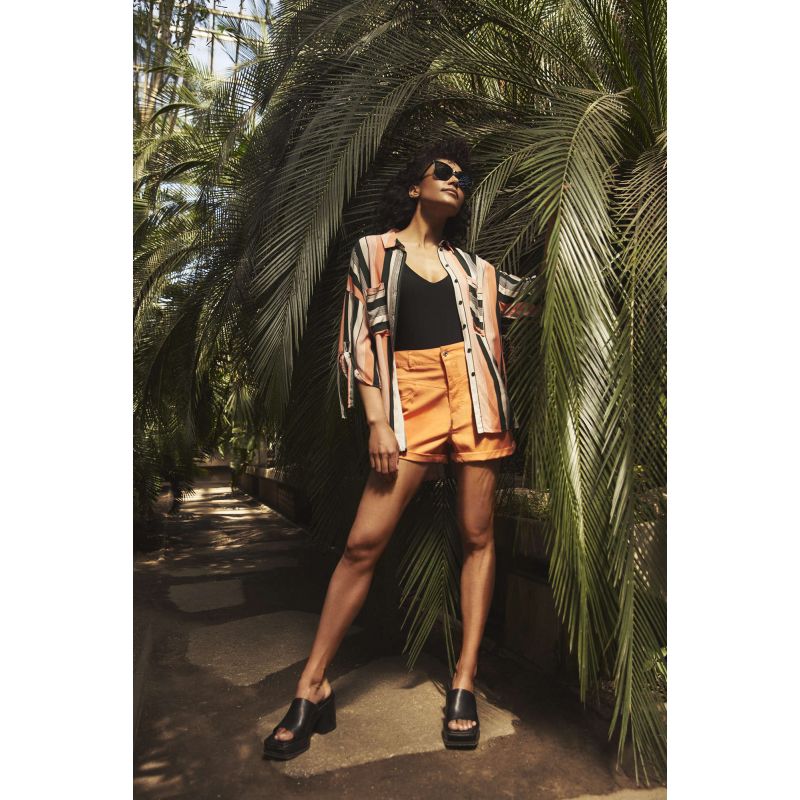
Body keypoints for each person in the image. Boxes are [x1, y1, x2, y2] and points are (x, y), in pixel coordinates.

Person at [263, 136, 539, 760]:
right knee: (363, 544)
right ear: (415, 185)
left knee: (477, 537)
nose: (455, 179)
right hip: (408, 402)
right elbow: (358, 341)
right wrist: (377, 421)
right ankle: (313, 685)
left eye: (463, 176)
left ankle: (463, 681)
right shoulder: (372, 252)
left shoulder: (475, 269)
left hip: (474, 400)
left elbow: (534, 300)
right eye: (443, 170)